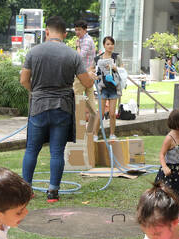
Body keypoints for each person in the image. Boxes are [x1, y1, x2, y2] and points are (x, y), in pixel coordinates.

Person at [20, 16, 93, 203]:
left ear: (46, 32)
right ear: (65, 34)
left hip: (38, 107)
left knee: (31, 150)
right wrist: (92, 77)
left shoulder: (33, 52)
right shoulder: (72, 55)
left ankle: (26, 190)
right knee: (57, 151)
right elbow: (86, 82)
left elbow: (23, 80)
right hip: (62, 108)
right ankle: (53, 192)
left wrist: (35, 92)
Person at [73, 19, 99, 140]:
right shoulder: (86, 39)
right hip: (88, 75)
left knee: (78, 104)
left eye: (79, 30)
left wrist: (77, 46)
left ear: (85, 30)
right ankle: (88, 135)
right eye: (76, 29)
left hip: (82, 76)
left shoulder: (86, 41)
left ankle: (80, 134)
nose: (77, 32)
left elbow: (79, 57)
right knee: (91, 106)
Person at [95, 36, 122, 139]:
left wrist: (115, 68)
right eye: (108, 44)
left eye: (112, 44)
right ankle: (94, 134)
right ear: (104, 45)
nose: (110, 46)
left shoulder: (117, 57)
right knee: (100, 113)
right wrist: (95, 75)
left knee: (111, 113)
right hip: (103, 88)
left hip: (114, 89)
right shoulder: (99, 58)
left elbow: (123, 71)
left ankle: (112, 134)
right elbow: (94, 70)